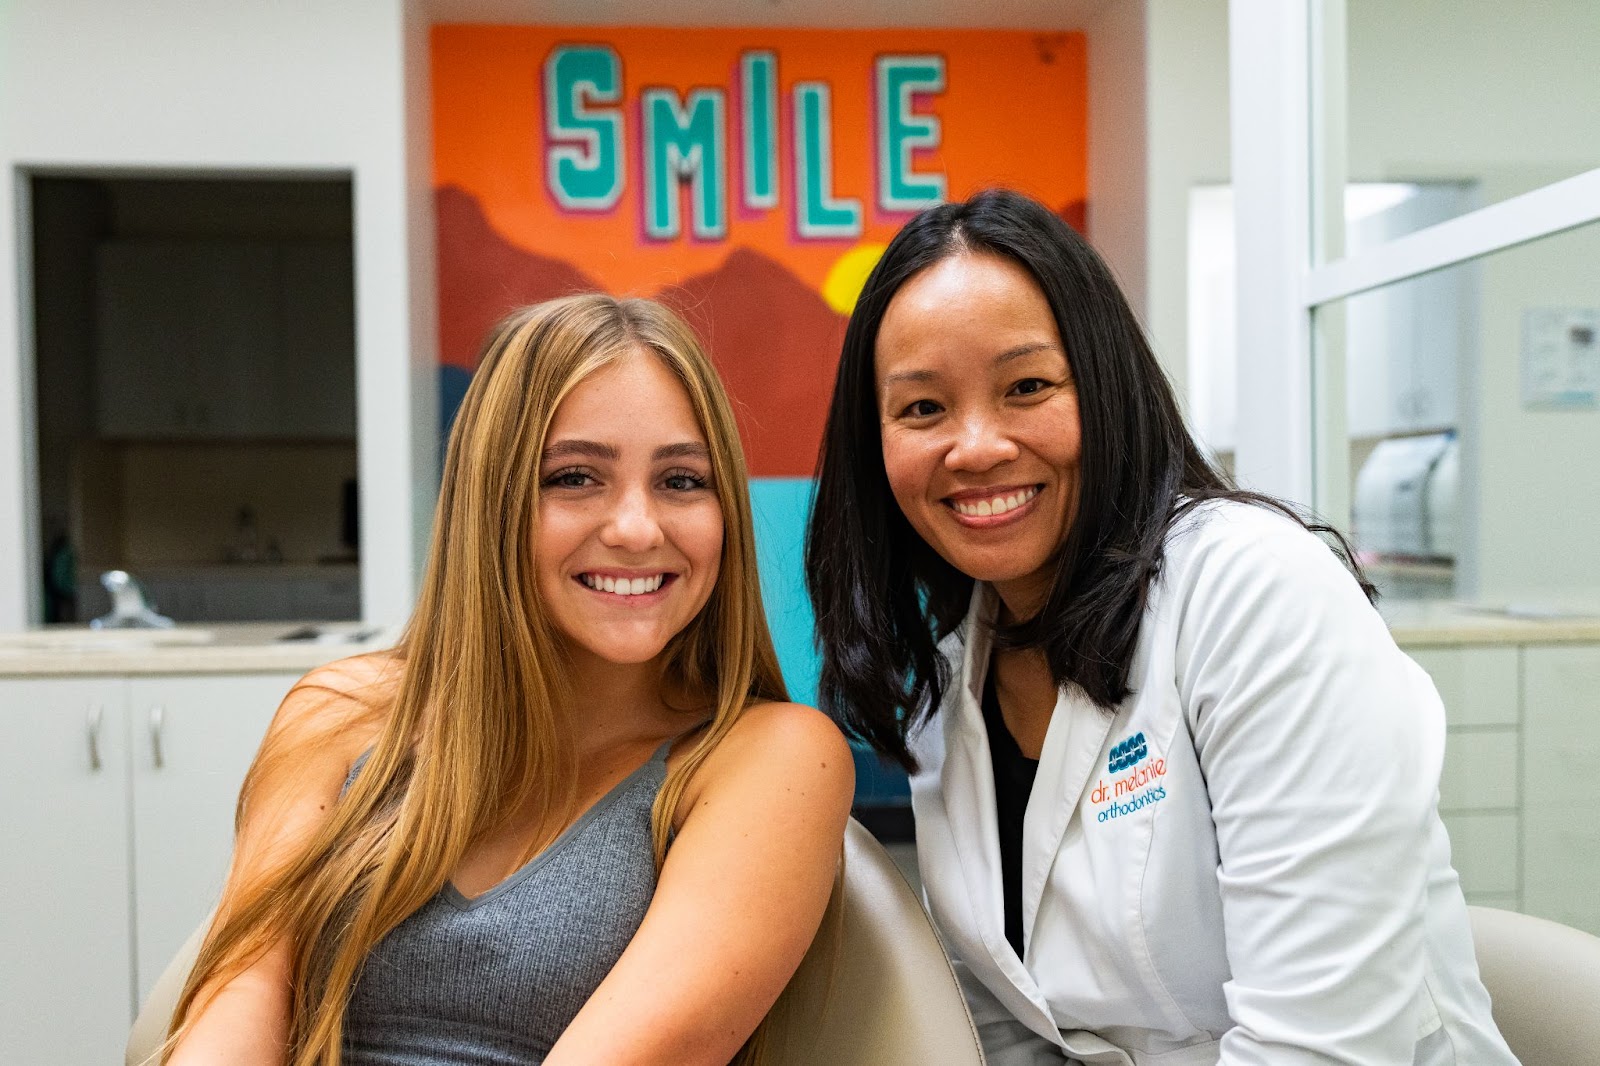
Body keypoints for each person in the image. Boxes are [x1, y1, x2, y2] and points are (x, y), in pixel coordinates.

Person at [804, 189, 1518, 1065]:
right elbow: (1006, 1021)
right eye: (923, 409)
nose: (977, 445)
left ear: (1106, 387)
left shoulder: (1254, 588)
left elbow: (1323, 1046)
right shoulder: (951, 679)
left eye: (1027, 387)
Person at [163, 295, 854, 1065]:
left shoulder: (775, 756)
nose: (636, 528)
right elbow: (238, 995)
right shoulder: (334, 710)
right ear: (488, 503)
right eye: (575, 477)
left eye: (682, 481)